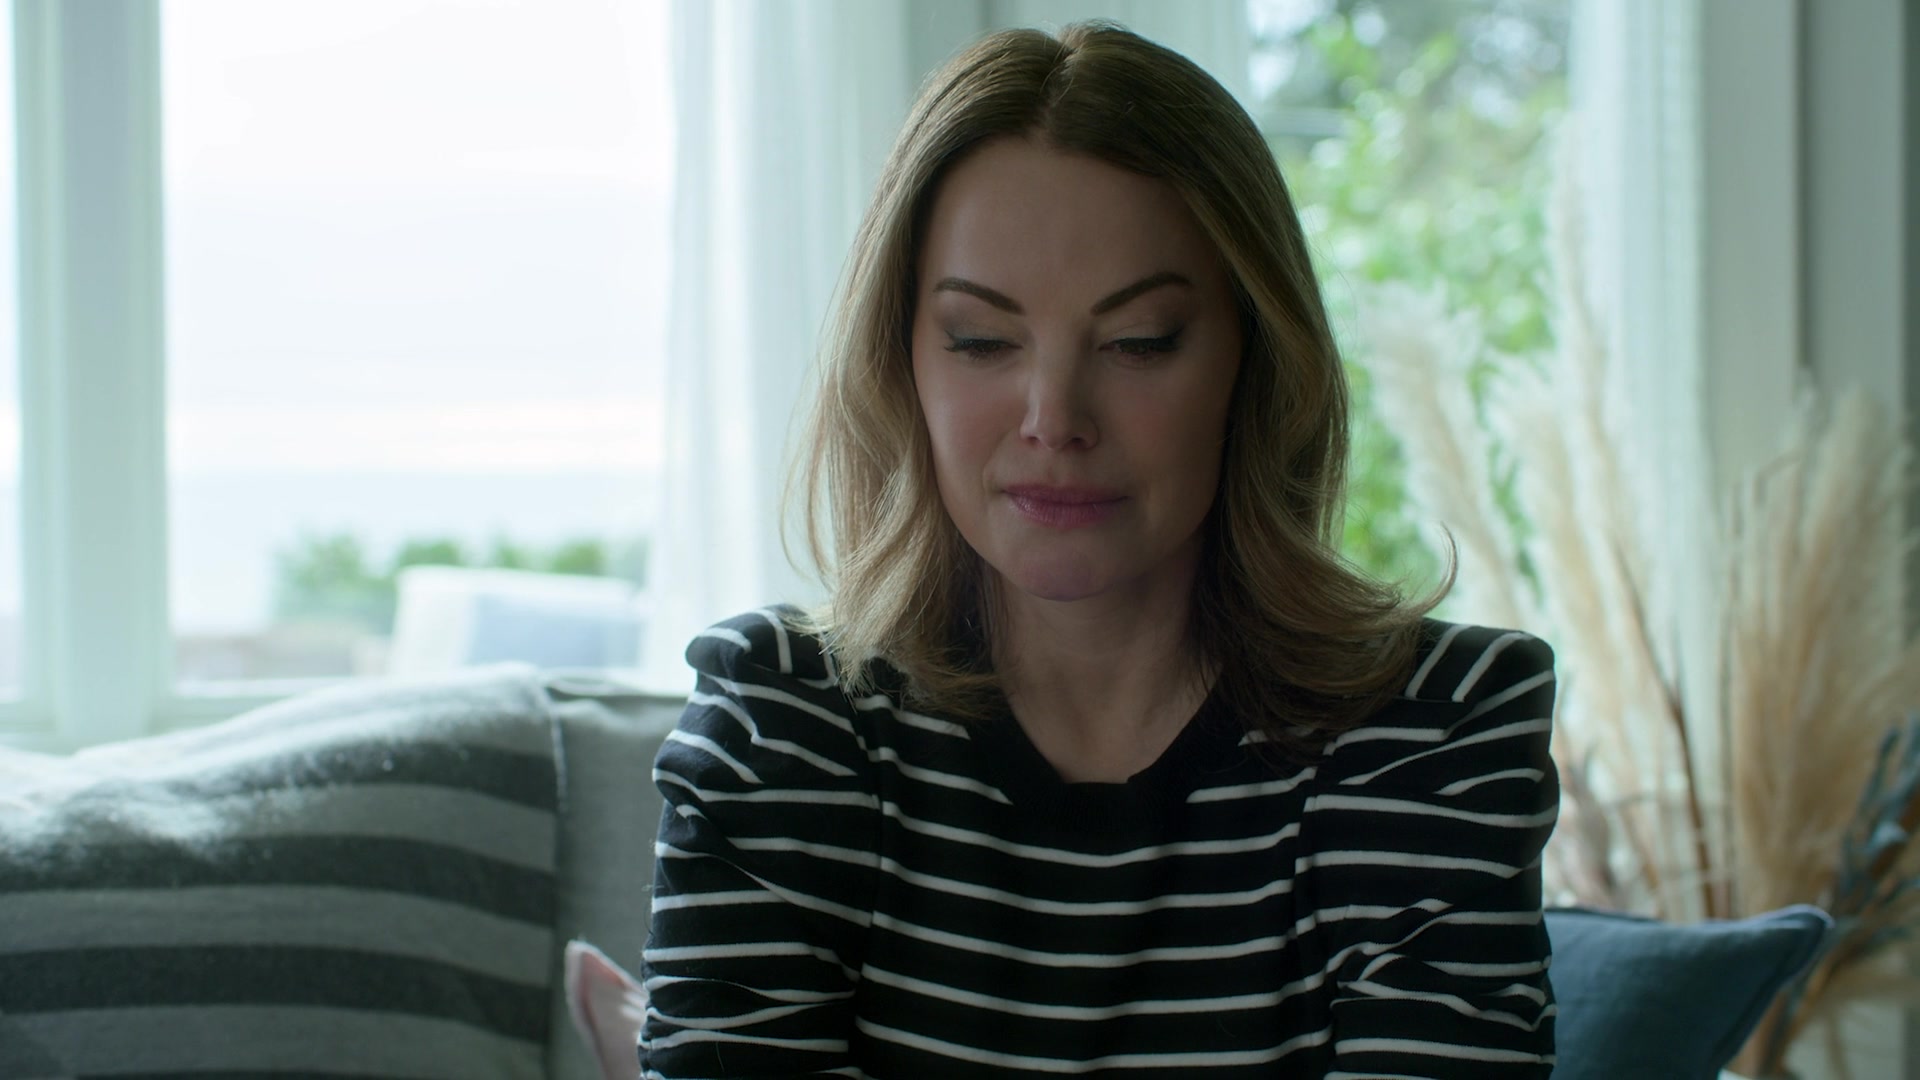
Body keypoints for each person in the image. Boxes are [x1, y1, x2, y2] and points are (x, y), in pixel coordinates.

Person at [640, 20, 1558, 1079]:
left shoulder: (1431, 735)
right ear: (902, 362)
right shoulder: (780, 726)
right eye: (982, 340)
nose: (1054, 419)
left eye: (1138, 342)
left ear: (1256, 360)